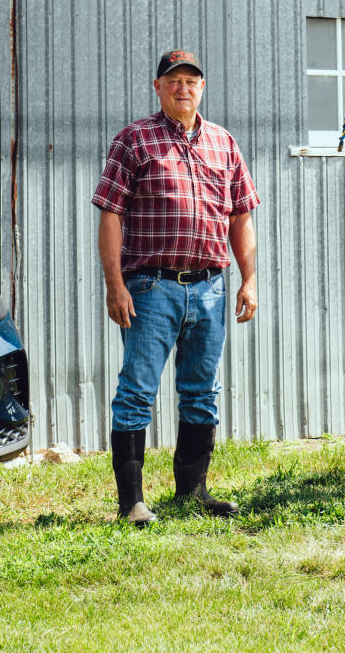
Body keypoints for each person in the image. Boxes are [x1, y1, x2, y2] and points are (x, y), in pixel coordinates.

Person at [92, 49, 259, 526]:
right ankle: (133, 505)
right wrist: (115, 285)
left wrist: (249, 280)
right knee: (137, 391)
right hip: (150, 287)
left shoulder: (224, 144)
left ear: (201, 87)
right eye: (174, 80)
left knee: (202, 391)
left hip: (210, 287)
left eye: (192, 80)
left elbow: (242, 214)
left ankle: (193, 492)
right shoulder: (133, 141)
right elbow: (110, 214)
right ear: (158, 87)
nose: (183, 88)